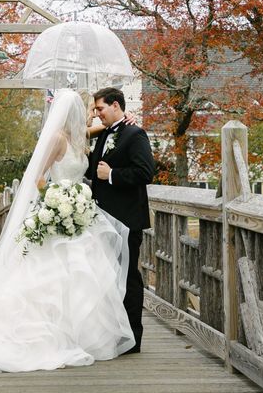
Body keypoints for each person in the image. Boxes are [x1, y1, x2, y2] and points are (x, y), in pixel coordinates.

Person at [0, 89, 136, 373]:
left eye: (94, 110)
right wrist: (54, 202)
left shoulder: (81, 137)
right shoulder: (59, 139)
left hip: (79, 215)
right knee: (52, 275)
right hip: (59, 211)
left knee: (81, 274)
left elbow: (108, 126)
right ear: (73, 112)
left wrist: (129, 118)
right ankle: (46, 333)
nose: (91, 114)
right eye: (87, 110)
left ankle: (76, 333)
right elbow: (37, 178)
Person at [86, 87, 154, 354]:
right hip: (103, 220)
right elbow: (93, 171)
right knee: (107, 278)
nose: (97, 114)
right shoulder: (105, 134)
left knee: (128, 278)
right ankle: (113, 333)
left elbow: (145, 172)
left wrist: (112, 175)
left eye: (100, 109)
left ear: (115, 105)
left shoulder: (135, 134)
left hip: (126, 220)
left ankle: (132, 339)